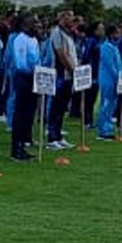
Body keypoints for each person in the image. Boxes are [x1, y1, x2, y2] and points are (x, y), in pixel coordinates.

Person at [9, 14, 40, 161]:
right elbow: (20, 63)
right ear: (25, 24)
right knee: (20, 114)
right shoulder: (20, 39)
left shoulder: (34, 39)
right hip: (23, 78)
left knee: (29, 113)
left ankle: (25, 142)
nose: (37, 25)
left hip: (34, 78)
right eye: (34, 22)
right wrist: (31, 71)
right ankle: (16, 148)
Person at [45, 10, 77, 150]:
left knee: (62, 108)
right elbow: (61, 54)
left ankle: (58, 135)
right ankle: (52, 138)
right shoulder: (57, 32)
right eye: (69, 18)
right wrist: (71, 69)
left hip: (68, 76)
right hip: (60, 75)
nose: (72, 21)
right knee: (56, 107)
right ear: (62, 18)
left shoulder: (68, 33)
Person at [98, 25, 122, 140]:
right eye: (117, 33)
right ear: (111, 34)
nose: (119, 35)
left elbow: (118, 64)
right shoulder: (106, 47)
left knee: (112, 105)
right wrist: (119, 77)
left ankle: (108, 128)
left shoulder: (114, 47)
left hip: (114, 80)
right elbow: (111, 66)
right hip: (108, 80)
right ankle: (103, 131)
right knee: (106, 104)